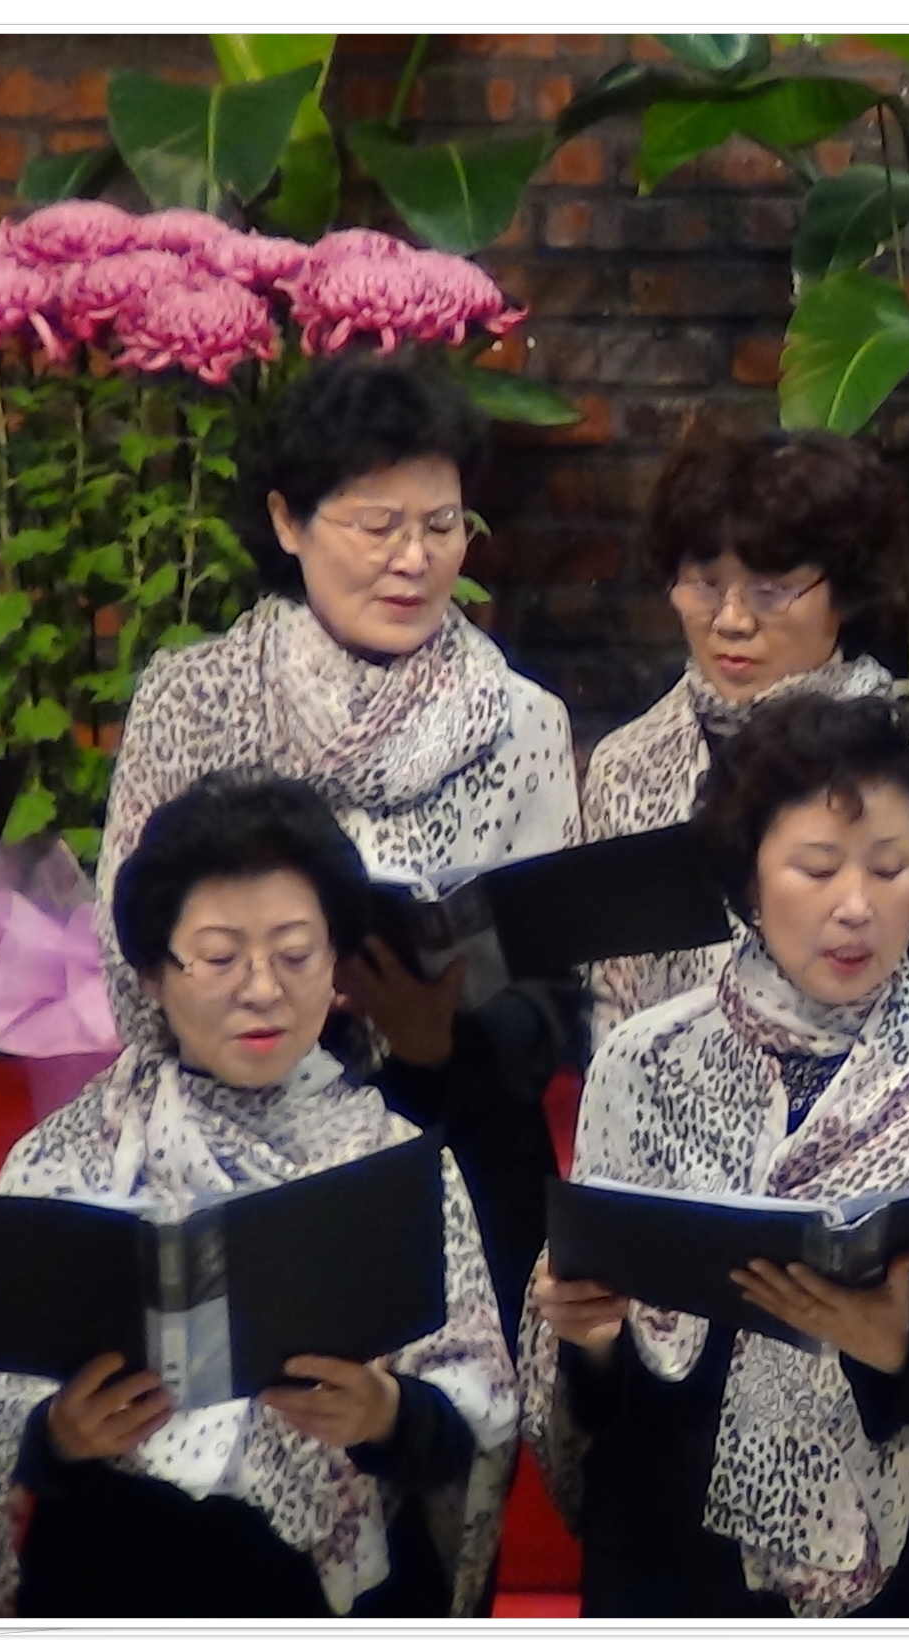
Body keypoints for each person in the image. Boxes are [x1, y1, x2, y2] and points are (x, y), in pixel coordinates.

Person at [0, 772, 516, 1618]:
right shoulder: (67, 1159)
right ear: (152, 974)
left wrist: (385, 1413)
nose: (262, 989)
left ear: (336, 966)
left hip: (327, 1595)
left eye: (295, 953)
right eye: (218, 957)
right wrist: (59, 1437)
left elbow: (478, 1418)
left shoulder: (397, 1162)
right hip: (113, 1574)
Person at [93, 352, 581, 1353]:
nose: (413, 559)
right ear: (288, 521)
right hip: (226, 1148)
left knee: (440, 1424)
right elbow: (129, 955)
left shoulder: (522, 720)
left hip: (457, 1139)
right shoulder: (194, 698)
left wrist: (440, 1039)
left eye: (439, 525)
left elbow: (559, 994)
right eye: (376, 525)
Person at [519, 693, 909, 1618]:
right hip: (672, 1541)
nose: (856, 906)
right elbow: (605, 1392)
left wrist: (891, 1343)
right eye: (817, 868)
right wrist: (587, 1340)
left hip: (908, 1544)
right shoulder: (647, 1059)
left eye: (890, 868)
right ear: (748, 882)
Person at [579, 427, 909, 1055]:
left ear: (844, 592)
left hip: (885, 1102)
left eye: (771, 592)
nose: (731, 620)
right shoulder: (626, 768)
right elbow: (603, 1001)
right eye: (704, 585)